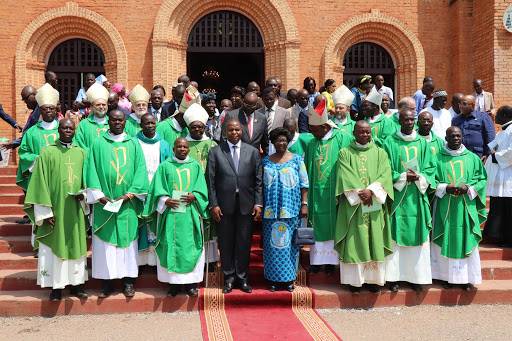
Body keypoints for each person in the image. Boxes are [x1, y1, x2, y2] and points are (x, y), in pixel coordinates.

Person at [84, 109, 149, 298]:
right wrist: (99, 195)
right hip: (105, 204)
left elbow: (140, 170)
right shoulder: (97, 144)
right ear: (109, 122)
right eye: (114, 120)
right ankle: (107, 283)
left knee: (127, 245)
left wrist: (129, 195)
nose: (117, 123)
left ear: (125, 122)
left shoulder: (134, 144)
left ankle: (128, 281)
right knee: (106, 245)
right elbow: (91, 170)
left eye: (121, 120)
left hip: (127, 204)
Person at [24, 119, 88, 301]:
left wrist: (83, 195)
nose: (67, 130)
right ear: (58, 130)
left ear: (74, 130)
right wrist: (45, 211)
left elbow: (88, 181)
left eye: (70, 128)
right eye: (64, 127)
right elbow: (39, 183)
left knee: (75, 244)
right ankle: (56, 287)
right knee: (54, 246)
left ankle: (76, 285)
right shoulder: (47, 152)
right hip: (54, 211)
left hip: (75, 210)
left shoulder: (81, 153)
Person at [143, 138, 209, 297]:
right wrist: (165, 199)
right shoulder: (165, 166)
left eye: (185, 147)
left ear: (188, 149)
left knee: (190, 247)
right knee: (171, 246)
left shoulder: (195, 166)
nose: (182, 149)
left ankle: (191, 284)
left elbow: (202, 189)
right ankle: (173, 285)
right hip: (170, 214)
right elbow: (156, 189)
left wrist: (195, 195)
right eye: (179, 146)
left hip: (190, 214)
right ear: (173, 149)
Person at [334, 121, 394, 293]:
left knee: (374, 237)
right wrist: (361, 193)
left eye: (367, 132)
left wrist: (372, 191)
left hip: (374, 202)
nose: (365, 135)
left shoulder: (380, 153)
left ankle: (373, 281)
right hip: (354, 206)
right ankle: (355, 282)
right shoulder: (345, 153)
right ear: (354, 132)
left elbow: (385, 174)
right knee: (355, 238)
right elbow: (345, 174)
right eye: (361, 132)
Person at [207, 118, 263, 294]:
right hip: (224, 205)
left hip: (246, 204)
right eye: (230, 130)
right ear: (225, 132)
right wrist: (213, 204)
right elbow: (210, 181)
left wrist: (258, 203)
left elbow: (258, 181)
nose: (234, 133)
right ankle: (229, 277)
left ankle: (242, 277)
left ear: (242, 131)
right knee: (225, 242)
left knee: (244, 242)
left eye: (237, 130)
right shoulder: (215, 152)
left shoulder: (252, 152)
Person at [382, 109, 436, 292]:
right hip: (398, 197)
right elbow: (385, 168)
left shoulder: (423, 143)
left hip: (417, 197)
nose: (409, 122)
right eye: (406, 119)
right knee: (395, 236)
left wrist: (420, 177)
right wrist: (403, 177)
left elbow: (430, 168)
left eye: (412, 120)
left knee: (417, 235)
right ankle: (394, 277)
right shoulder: (390, 141)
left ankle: (416, 277)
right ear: (400, 121)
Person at [431, 126, 487, 290]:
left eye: (458, 135)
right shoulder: (437, 158)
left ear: (462, 137)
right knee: (444, 237)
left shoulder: (472, 158)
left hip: (465, 207)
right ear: (446, 138)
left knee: (466, 238)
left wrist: (469, 188)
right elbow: (430, 179)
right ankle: (443, 276)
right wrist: (444, 187)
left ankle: (467, 278)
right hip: (444, 205)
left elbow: (482, 179)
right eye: (452, 136)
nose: (456, 138)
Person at [305, 96, 352, 274]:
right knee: (316, 223)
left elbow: (348, 164)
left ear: (325, 126)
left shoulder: (342, 138)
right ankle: (316, 262)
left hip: (335, 192)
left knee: (334, 224)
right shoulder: (311, 143)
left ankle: (332, 262)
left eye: (315, 130)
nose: (312, 133)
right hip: (316, 193)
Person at [262, 128, 308, 292]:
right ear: (273, 143)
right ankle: (273, 279)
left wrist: (304, 204)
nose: (281, 143)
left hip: (290, 210)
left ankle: (289, 279)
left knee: (289, 246)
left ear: (288, 142)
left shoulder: (296, 160)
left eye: (283, 140)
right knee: (272, 246)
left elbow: (304, 183)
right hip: (270, 212)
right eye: (277, 141)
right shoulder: (266, 161)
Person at [184, 103, 219, 267]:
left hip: (208, 192)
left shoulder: (212, 145)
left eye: (200, 127)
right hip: (188, 193)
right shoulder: (182, 145)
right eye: (193, 127)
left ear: (205, 127)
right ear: (188, 127)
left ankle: (210, 261)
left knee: (209, 227)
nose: (197, 130)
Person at [136, 113, 172, 267]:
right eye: (146, 123)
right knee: (142, 225)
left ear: (156, 123)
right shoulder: (134, 142)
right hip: (140, 190)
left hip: (158, 190)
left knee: (156, 225)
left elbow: (168, 168)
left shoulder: (164, 144)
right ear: (141, 125)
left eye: (152, 123)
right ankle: (142, 261)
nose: (150, 126)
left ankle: (155, 261)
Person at [16, 83, 60, 191]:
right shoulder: (31, 133)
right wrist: (38, 159)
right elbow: (23, 153)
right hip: (38, 177)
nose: (48, 111)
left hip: (60, 178)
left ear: (56, 110)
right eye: (45, 108)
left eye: (51, 108)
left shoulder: (64, 130)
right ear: (41, 110)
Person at [484, 106, 512, 246]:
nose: (495, 118)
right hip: (500, 175)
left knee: (508, 209)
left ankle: (508, 239)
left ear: (506, 115)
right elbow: (493, 146)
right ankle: (495, 235)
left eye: (498, 115)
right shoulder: (503, 130)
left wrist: (495, 156)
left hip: (508, 177)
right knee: (497, 206)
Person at [452, 95, 495, 160]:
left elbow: (490, 136)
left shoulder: (483, 117)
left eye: (464, 104)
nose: (460, 106)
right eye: (460, 103)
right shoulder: (456, 119)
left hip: (478, 155)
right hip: (460, 154)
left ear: (472, 105)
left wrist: (487, 154)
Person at [73, 83, 110, 152]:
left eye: (104, 104)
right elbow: (78, 143)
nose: (101, 107)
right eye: (98, 105)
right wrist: (91, 155)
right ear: (92, 107)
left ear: (107, 106)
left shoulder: (112, 123)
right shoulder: (83, 124)